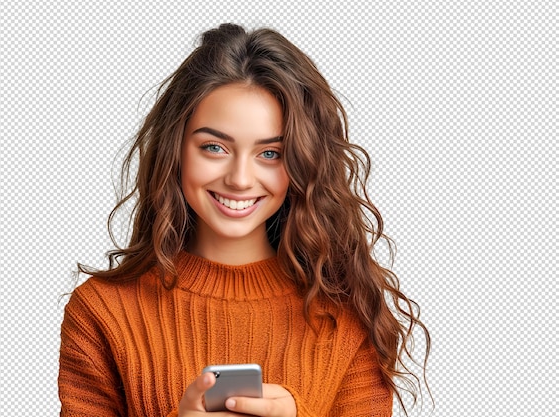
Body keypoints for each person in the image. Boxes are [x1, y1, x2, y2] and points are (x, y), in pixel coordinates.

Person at [59, 23, 430, 416]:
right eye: (214, 147)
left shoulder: (348, 314)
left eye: (270, 153)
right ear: (176, 149)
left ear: (303, 164)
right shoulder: (102, 311)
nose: (239, 179)